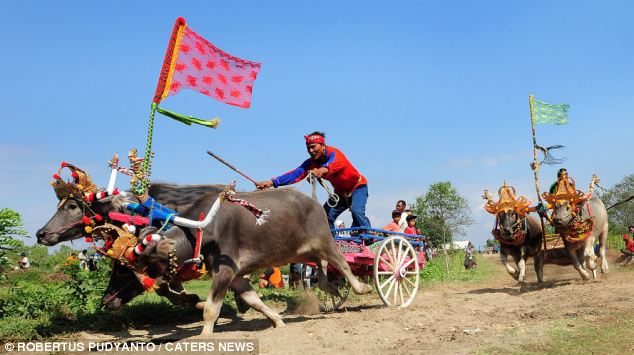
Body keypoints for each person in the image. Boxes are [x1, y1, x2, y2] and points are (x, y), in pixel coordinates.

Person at [256, 132, 371, 230]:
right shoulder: (311, 162)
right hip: (340, 193)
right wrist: (271, 182)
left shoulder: (335, 154)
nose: (311, 151)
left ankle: (370, 240)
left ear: (322, 145)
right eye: (308, 148)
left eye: (313, 147)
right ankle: (332, 243)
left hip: (357, 187)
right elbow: (295, 174)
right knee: (324, 216)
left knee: (357, 212)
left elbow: (329, 166)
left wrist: (319, 171)